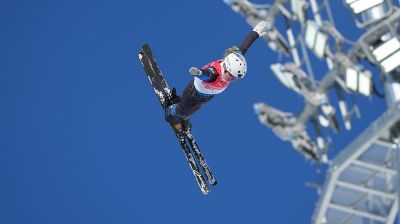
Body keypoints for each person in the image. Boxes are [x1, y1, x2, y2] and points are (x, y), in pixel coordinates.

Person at [165, 21, 268, 131]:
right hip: (193, 93)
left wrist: (255, 33)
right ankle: (172, 115)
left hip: (206, 96)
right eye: (232, 76)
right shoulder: (215, 73)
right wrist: (199, 73)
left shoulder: (234, 60)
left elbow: (245, 46)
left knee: (195, 108)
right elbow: (207, 75)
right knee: (183, 110)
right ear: (226, 67)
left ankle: (182, 112)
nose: (232, 79)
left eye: (235, 78)